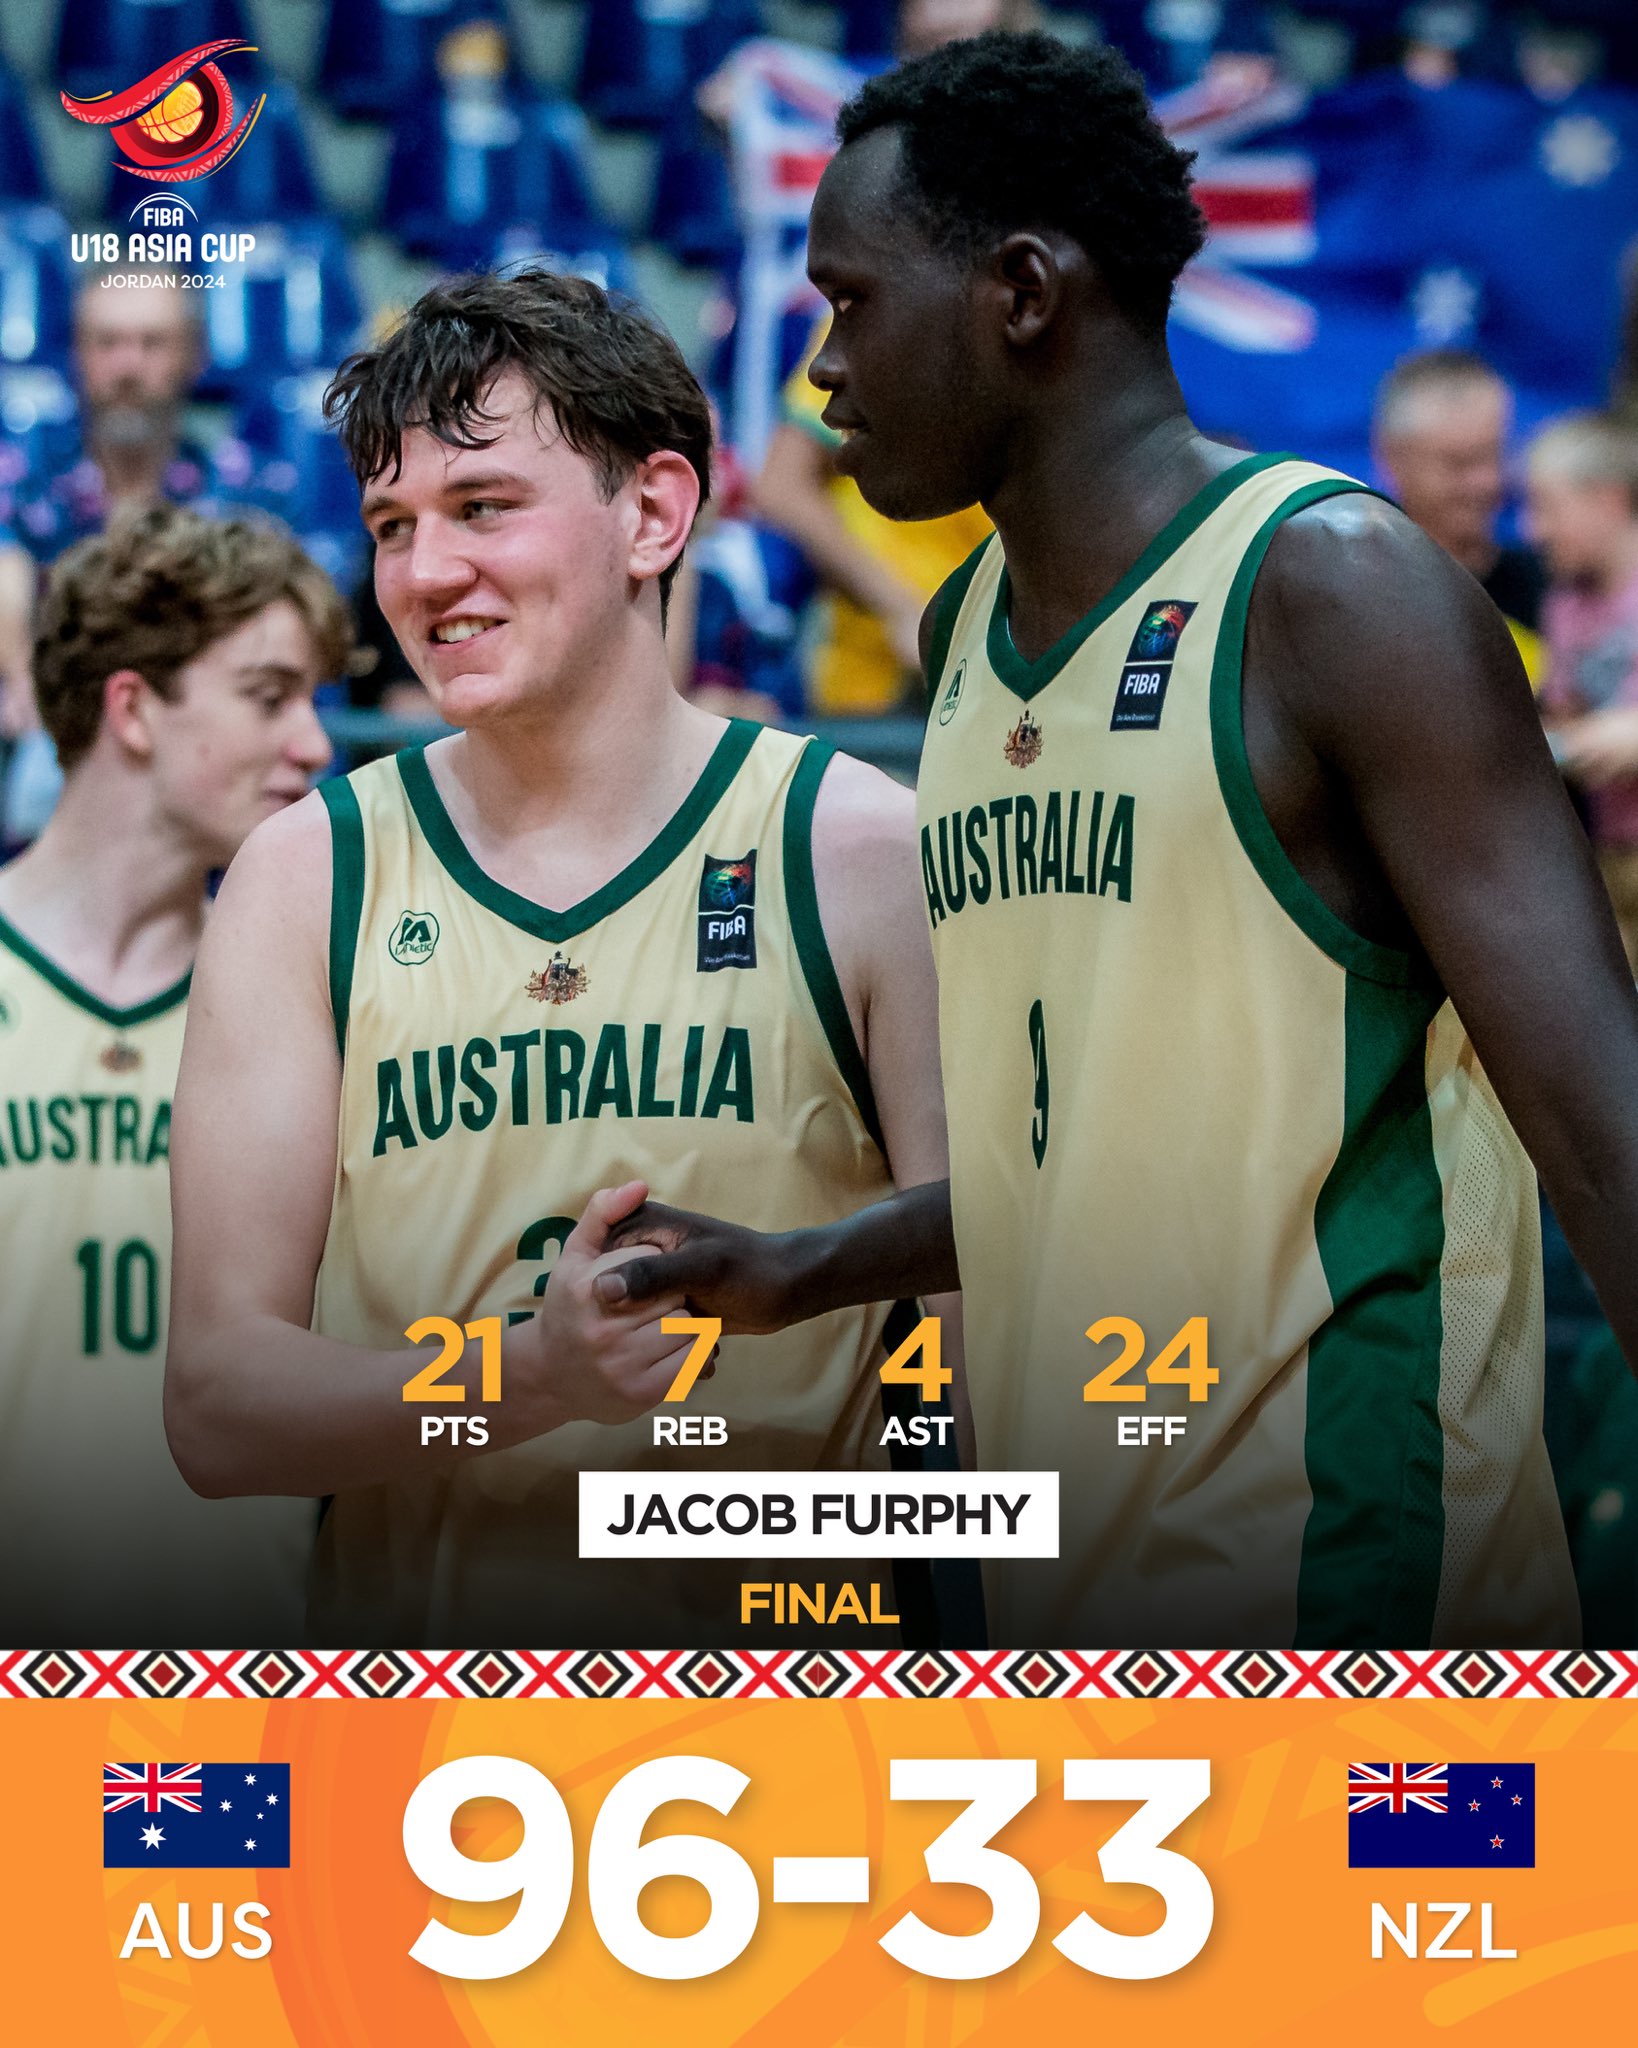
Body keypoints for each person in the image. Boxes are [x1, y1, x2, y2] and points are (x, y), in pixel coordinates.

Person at [600, 32, 1638, 1652]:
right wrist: (806, 1269)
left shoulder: (1333, 590)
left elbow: (1599, 1126)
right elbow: (1080, 1153)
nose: (821, 366)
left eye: (851, 300)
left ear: (1019, 293)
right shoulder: (959, 644)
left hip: (1352, 1577)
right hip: (1081, 1590)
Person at [163, 269, 961, 1650]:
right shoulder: (305, 878)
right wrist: (524, 1380)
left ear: (653, 512)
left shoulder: (867, 852)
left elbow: (980, 1388)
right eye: (392, 525)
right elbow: (220, 1409)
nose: (424, 573)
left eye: (482, 507)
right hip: (423, 1732)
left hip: (793, 1730)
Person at [0, 504, 343, 1643]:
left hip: (239, 1687)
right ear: (134, 708)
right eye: (268, 695)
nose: (315, 744)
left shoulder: (315, 1010)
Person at [0, 273, 264, 846]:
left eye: (151, 343)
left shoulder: (242, 490)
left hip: (199, 743)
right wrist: (22, 664)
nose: (127, 366)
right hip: (52, 742)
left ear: (193, 356)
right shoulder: (25, 484)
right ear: (77, 353)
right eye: (108, 342)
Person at [1526, 411, 1638, 969]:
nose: (1533, 530)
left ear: (1607, 500)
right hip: (1611, 856)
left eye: (1548, 506)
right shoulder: (1565, 606)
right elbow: (1566, 718)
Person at [1372, 349, 1547, 684]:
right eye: (1459, 464)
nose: (1486, 482)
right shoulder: (1360, 592)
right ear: (1392, 458)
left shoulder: (1554, 586)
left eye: (1494, 455)